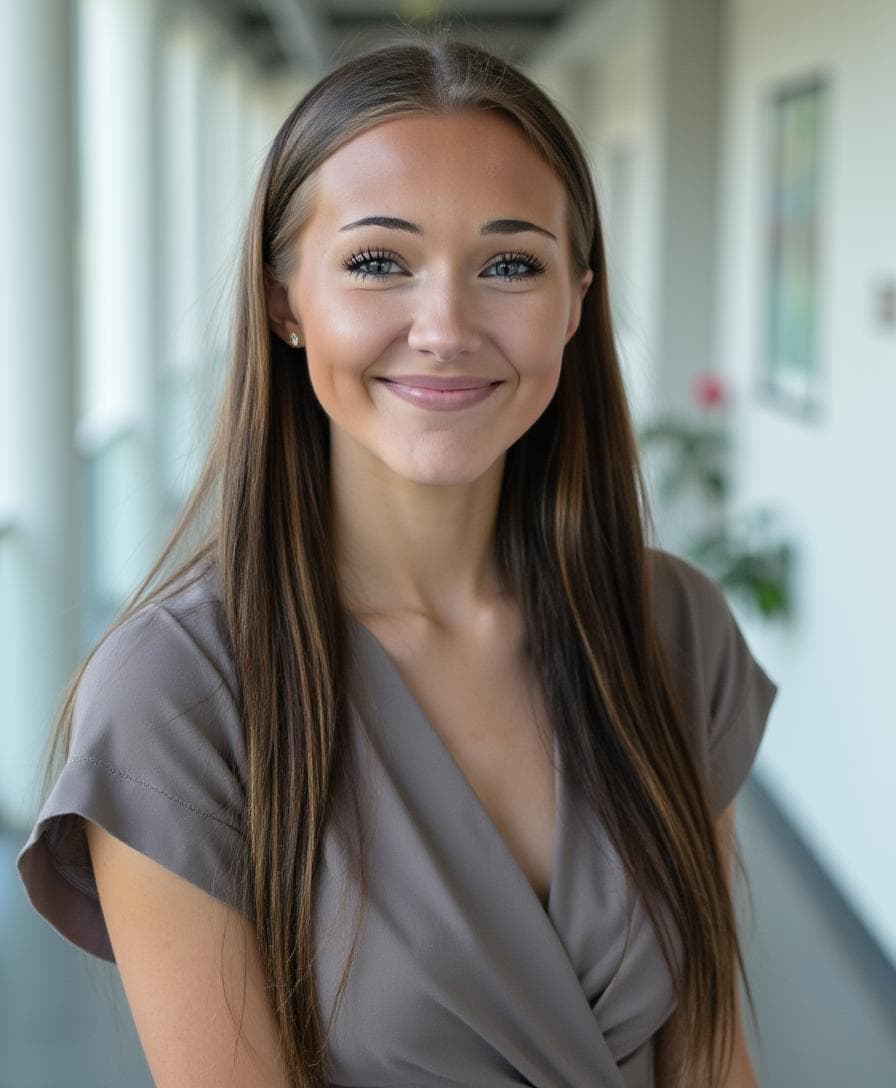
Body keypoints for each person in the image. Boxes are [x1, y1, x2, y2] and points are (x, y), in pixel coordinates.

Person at [17, 29, 778, 1088]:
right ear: (284, 300)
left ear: (575, 301)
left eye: (509, 264)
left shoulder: (669, 624)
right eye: (379, 262)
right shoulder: (174, 698)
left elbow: (712, 1062)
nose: (445, 325)